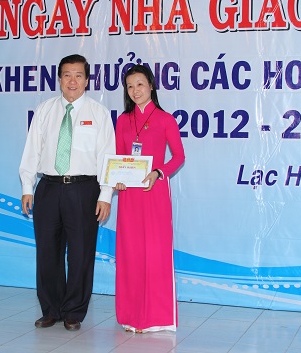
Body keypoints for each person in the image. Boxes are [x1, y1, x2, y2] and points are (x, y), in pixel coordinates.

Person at [19, 54, 115, 331]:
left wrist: (105, 195)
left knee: (81, 254)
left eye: (78, 75)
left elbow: (107, 156)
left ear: (87, 80)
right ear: (59, 79)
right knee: (47, 252)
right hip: (48, 187)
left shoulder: (98, 113)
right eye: (67, 75)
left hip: (84, 189)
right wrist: (27, 187)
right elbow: (32, 150)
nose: (72, 81)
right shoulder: (45, 110)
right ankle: (51, 309)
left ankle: (73, 311)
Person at [113, 64, 185, 333]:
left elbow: (179, 156)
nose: (135, 91)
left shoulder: (166, 119)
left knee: (155, 253)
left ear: (151, 86)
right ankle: (131, 316)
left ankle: (157, 317)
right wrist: (117, 178)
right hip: (129, 196)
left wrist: (158, 172)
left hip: (154, 192)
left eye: (140, 84)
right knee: (131, 253)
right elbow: (119, 156)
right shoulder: (123, 120)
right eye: (130, 86)